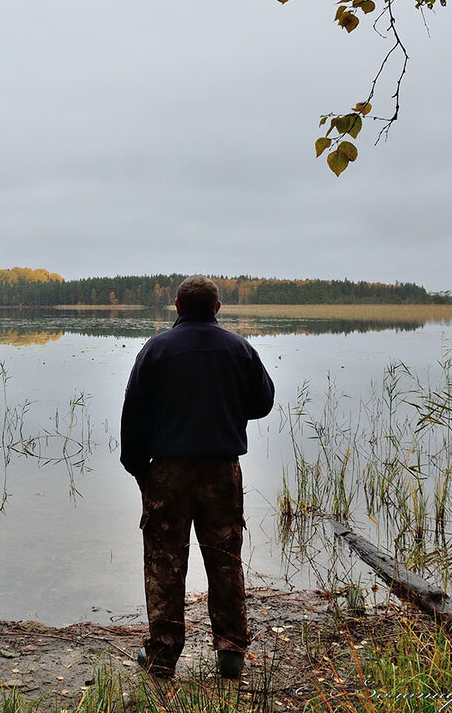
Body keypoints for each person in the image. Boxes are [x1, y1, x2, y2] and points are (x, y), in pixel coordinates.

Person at [120, 275, 275, 679]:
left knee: (164, 562)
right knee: (225, 560)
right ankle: (230, 651)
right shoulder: (239, 349)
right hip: (221, 470)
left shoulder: (156, 350)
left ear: (176, 305)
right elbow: (262, 403)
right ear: (217, 308)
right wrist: (226, 407)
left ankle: (162, 655)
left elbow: (134, 412)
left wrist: (139, 467)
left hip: (168, 470)